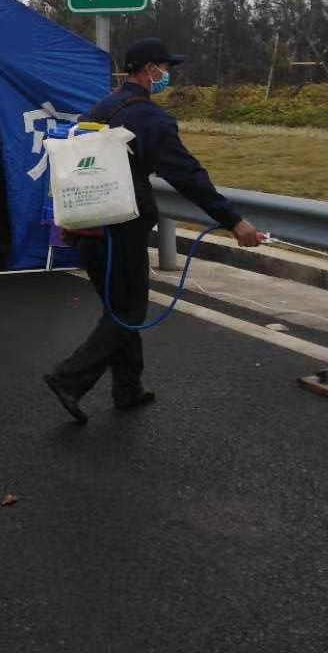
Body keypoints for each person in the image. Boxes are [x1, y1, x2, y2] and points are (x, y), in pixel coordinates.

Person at [43, 37, 263, 424]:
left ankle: (128, 389)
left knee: (118, 308)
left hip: (86, 227)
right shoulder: (151, 119)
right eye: (165, 68)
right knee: (129, 311)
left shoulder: (100, 108)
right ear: (150, 69)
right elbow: (188, 175)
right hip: (120, 231)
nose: (166, 75)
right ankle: (69, 378)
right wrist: (233, 220)